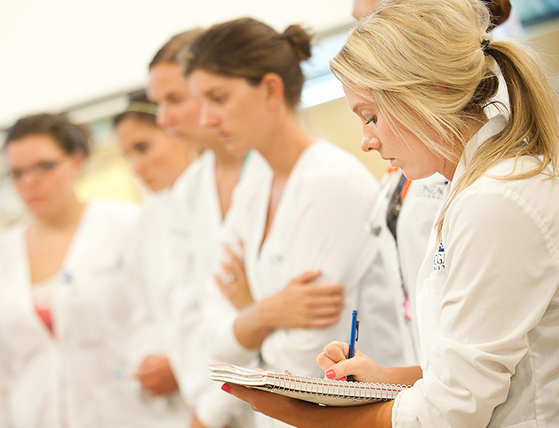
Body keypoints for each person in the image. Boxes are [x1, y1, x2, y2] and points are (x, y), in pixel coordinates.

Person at [220, 0, 559, 426]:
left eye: (372, 117)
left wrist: (307, 415)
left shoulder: (497, 200)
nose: (366, 141)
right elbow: (474, 367)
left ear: (431, 92)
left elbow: (452, 410)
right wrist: (385, 379)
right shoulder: (472, 190)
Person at [184, 17, 406, 427]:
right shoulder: (255, 188)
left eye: (218, 98)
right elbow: (210, 337)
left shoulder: (330, 184)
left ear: (270, 89)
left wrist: (246, 320)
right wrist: (266, 313)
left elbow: (306, 360)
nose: (206, 120)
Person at [0, 113, 171, 427]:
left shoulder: (128, 226)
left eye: (43, 166)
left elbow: (162, 315)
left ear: (76, 161)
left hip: (131, 414)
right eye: (17, 173)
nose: (29, 182)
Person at [147, 29, 265, 428]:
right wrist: (203, 401)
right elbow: (187, 311)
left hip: (274, 394)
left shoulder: (271, 171)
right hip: (212, 402)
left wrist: (214, 408)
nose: (163, 119)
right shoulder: (189, 190)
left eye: (174, 100)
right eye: (157, 104)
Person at [114, 92, 198, 426]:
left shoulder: (221, 200)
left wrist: (181, 365)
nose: (136, 167)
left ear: (176, 132)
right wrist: (149, 358)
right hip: (179, 405)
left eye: (143, 148)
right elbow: (142, 311)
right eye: (127, 155)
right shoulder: (146, 221)